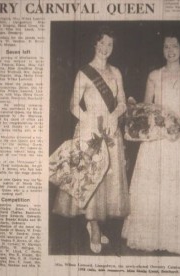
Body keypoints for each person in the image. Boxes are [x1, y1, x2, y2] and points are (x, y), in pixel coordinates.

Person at [122, 32, 180, 255]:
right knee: (154, 185)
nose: (170, 50)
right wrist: (151, 119)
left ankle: (176, 238)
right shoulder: (154, 75)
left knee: (178, 185)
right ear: (162, 49)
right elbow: (145, 107)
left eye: (174, 46)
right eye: (166, 46)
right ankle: (151, 236)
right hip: (158, 135)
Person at [52, 26, 129, 254]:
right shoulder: (84, 72)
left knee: (108, 179)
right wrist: (88, 122)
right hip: (90, 131)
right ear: (95, 44)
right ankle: (94, 227)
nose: (106, 48)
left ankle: (95, 222)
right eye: (102, 43)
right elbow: (73, 105)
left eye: (110, 45)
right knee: (92, 177)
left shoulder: (116, 72)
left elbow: (122, 101)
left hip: (111, 131)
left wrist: (114, 116)